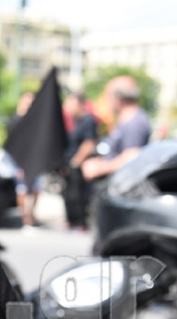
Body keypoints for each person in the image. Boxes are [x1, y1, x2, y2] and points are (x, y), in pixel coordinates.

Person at [82, 76, 151, 181]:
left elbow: (131, 156)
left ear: (118, 99)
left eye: (108, 96)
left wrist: (100, 168)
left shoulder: (135, 123)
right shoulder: (127, 119)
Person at [61, 92, 98, 229]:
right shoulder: (75, 121)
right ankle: (72, 221)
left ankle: (81, 223)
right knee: (68, 194)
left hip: (78, 165)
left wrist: (76, 161)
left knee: (78, 195)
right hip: (70, 163)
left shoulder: (88, 120)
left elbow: (89, 143)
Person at [8, 92, 41, 226]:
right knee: (22, 189)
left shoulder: (35, 120)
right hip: (20, 160)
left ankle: (31, 215)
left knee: (36, 188)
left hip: (34, 159)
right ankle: (25, 217)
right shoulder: (16, 120)